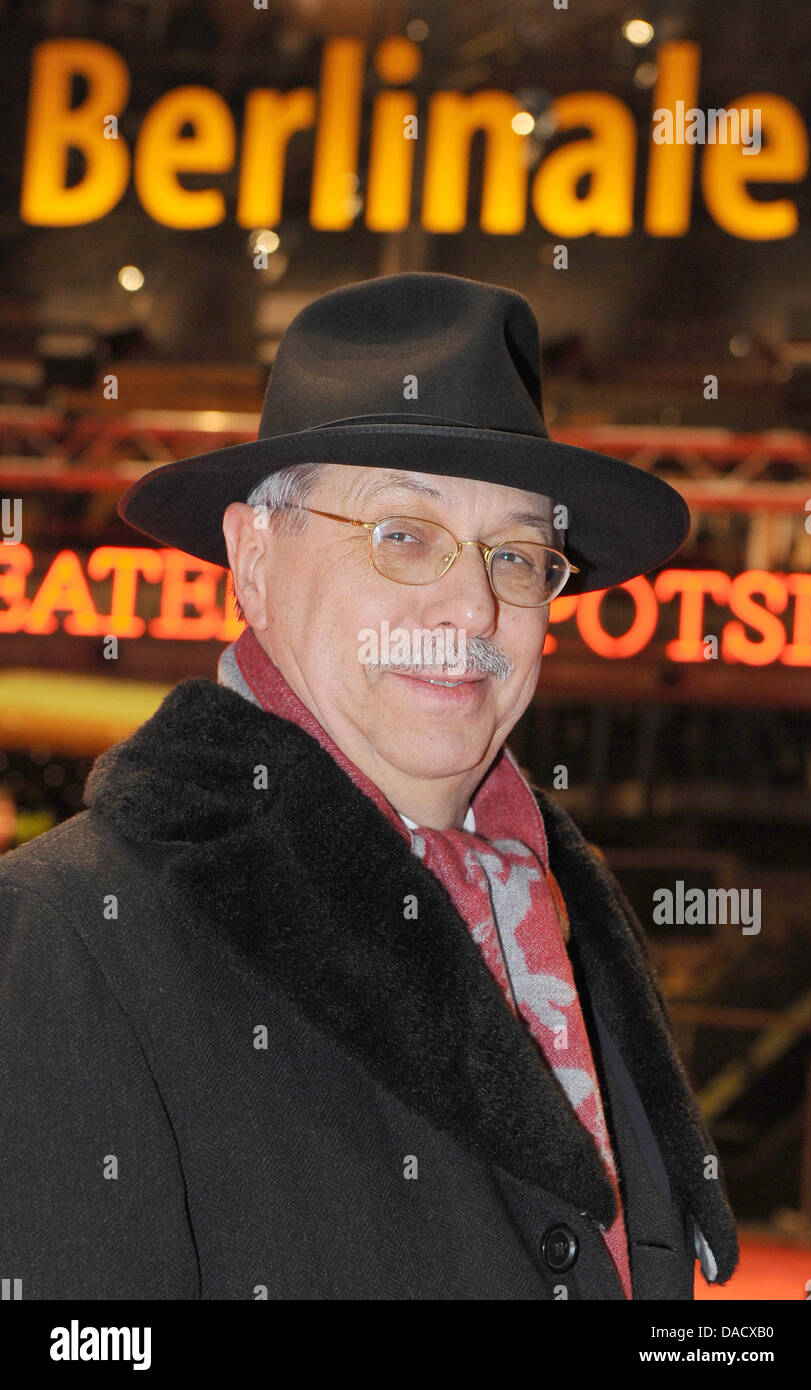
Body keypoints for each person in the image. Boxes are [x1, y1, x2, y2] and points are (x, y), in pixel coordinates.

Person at [0, 271, 738, 1299]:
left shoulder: (572, 925)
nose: (472, 603)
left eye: (519, 553)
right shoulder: (68, 936)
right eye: (402, 534)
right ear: (253, 558)